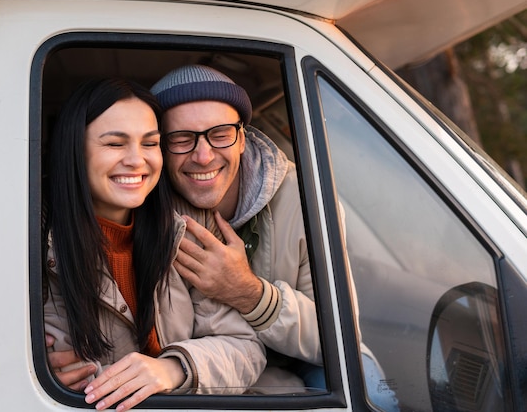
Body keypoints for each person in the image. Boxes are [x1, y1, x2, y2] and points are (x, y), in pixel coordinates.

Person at [150, 64, 399, 411]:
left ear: (242, 137)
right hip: (210, 366)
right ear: (159, 147)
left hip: (302, 360)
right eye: (181, 138)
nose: (203, 155)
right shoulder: (148, 208)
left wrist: (248, 293)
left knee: (371, 392)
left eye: (220, 134)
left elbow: (340, 336)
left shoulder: (307, 198)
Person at [43, 77, 266, 411]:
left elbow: (246, 349)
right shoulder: (30, 241)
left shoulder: (184, 229)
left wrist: (174, 368)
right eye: (115, 144)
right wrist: (37, 373)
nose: (137, 160)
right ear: (74, 149)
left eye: (149, 144)